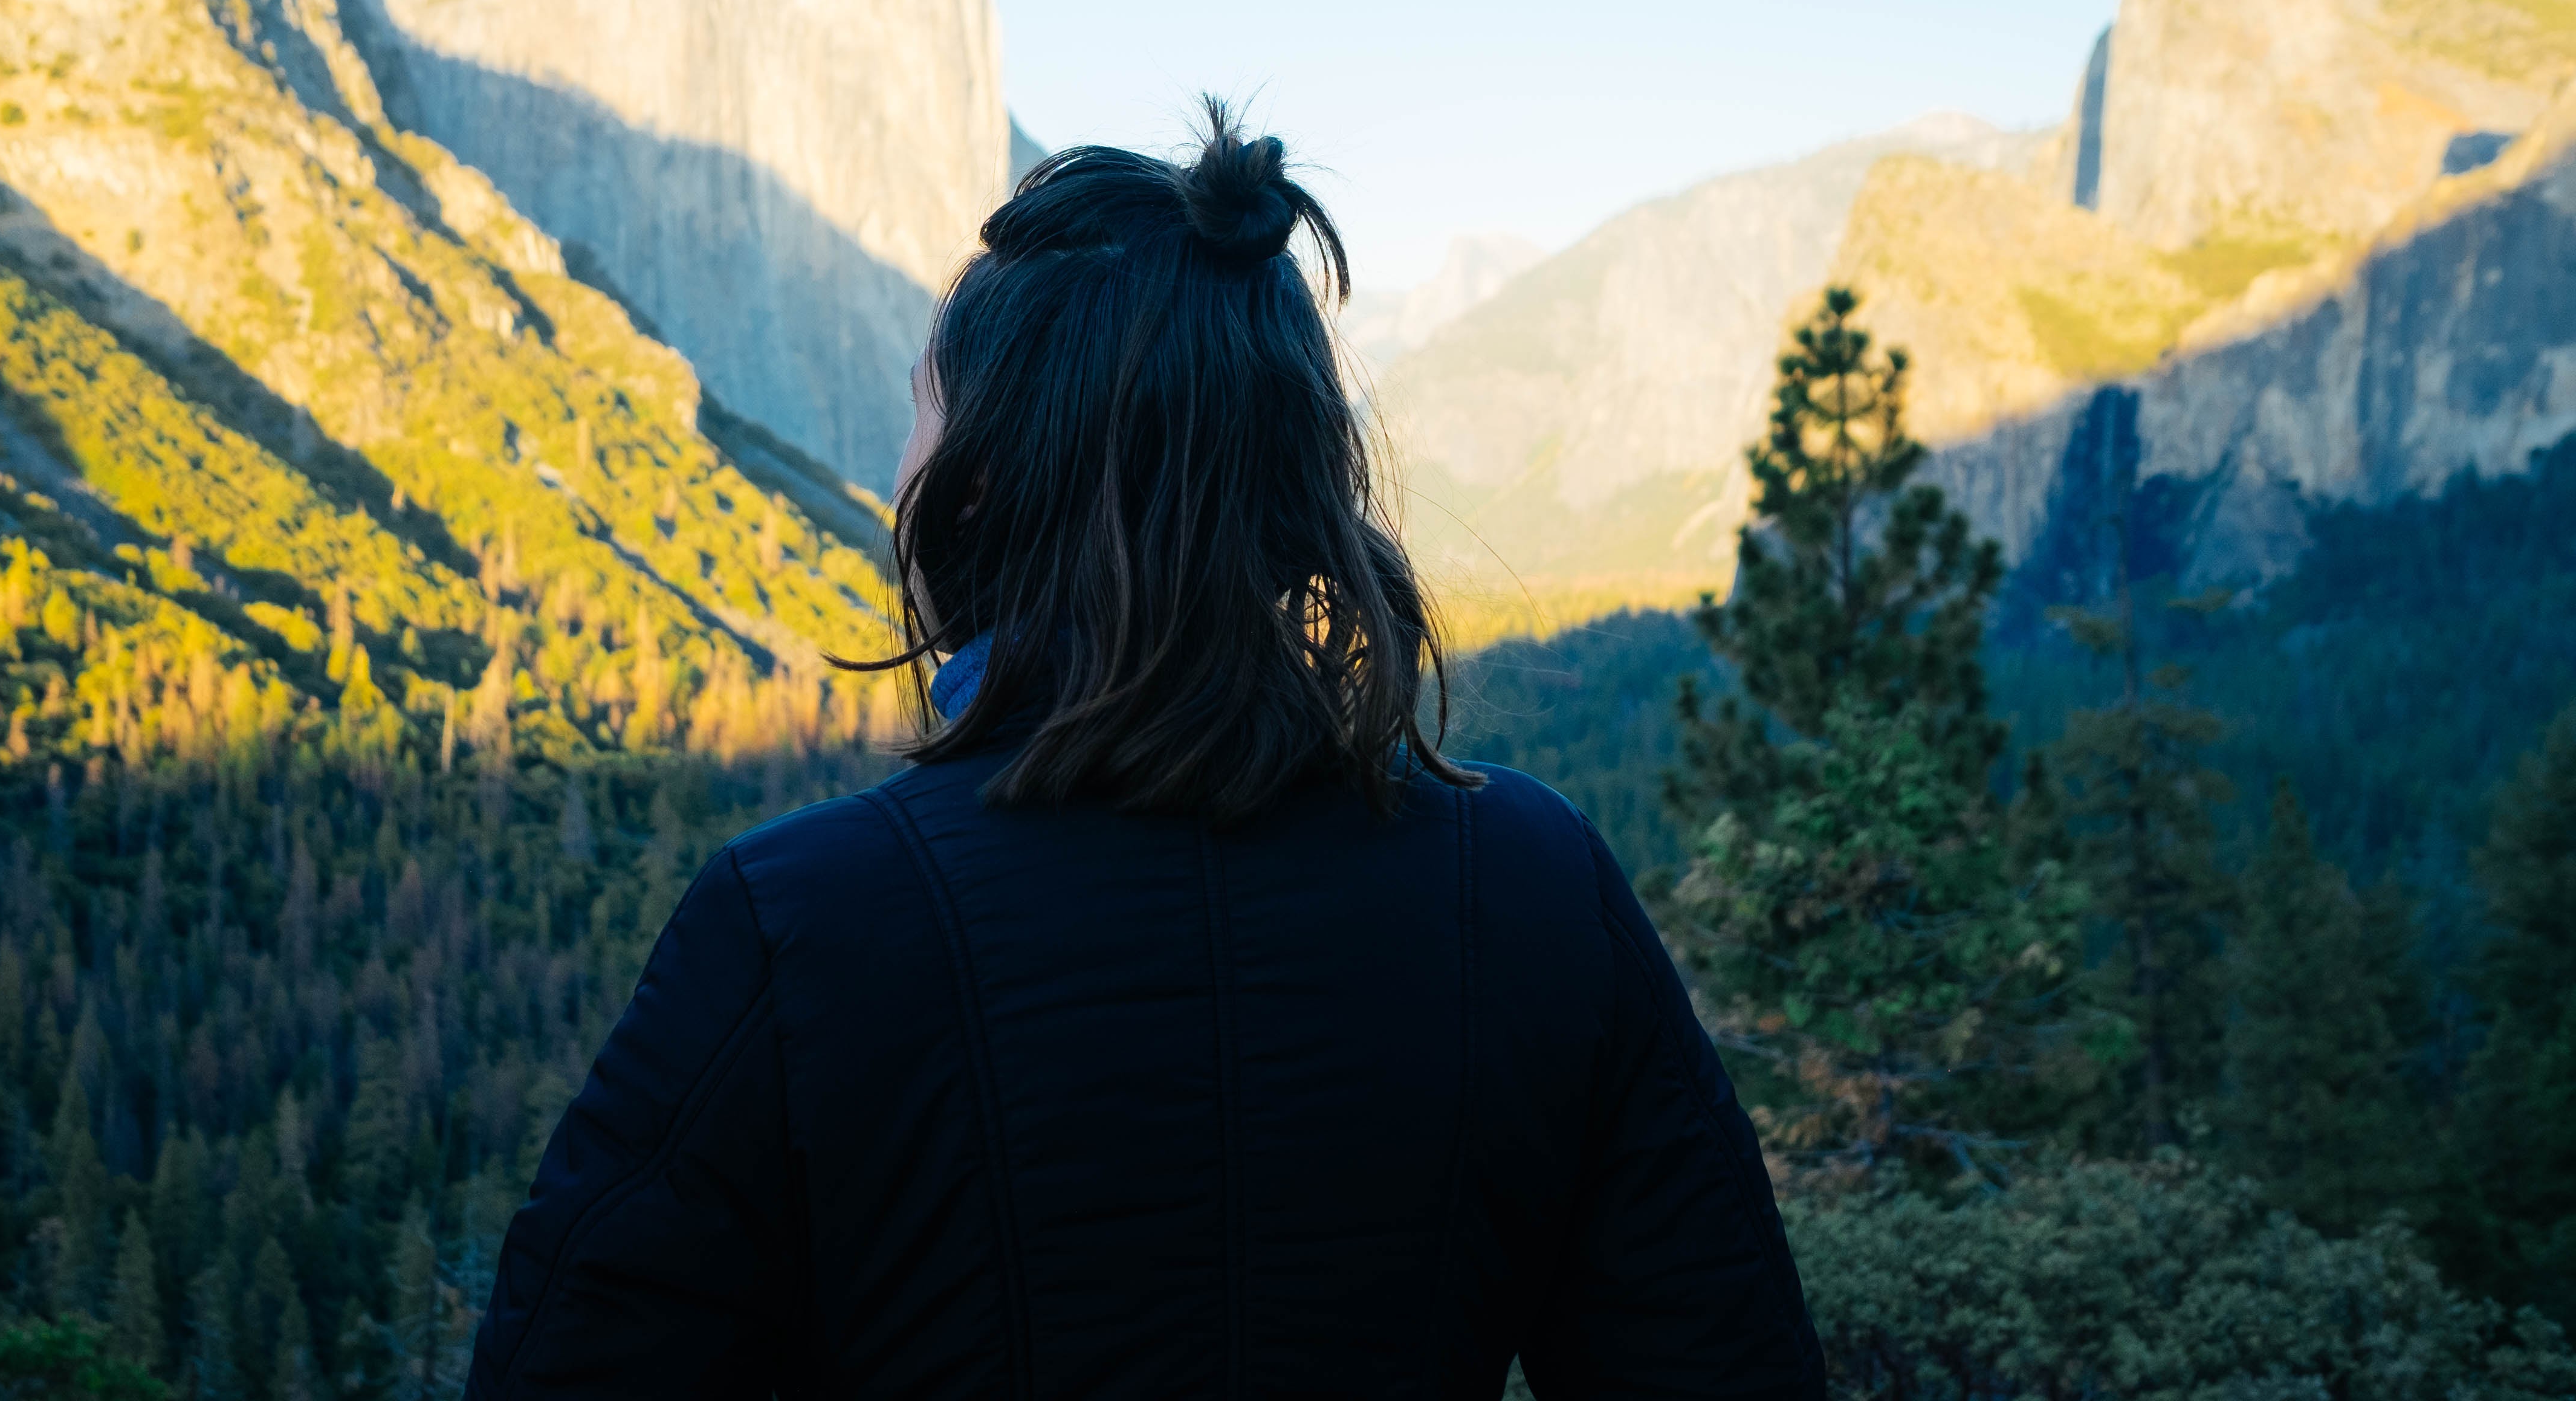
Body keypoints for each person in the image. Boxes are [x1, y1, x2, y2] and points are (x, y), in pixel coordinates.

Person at [465, 103, 1824, 1399]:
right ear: (1295, 472)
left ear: (985, 476)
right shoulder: (1538, 893)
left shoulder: (798, 926)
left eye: (923, 414)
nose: (899, 471)